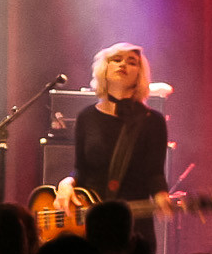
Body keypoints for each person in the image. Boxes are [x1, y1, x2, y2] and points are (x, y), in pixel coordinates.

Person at [71, 44, 171, 241]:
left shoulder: (152, 121)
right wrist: (67, 183)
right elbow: (80, 170)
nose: (123, 64)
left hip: (133, 227)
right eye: (116, 60)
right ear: (104, 69)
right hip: (90, 227)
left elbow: (155, 173)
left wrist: (161, 194)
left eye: (132, 62)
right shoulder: (86, 117)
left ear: (139, 74)